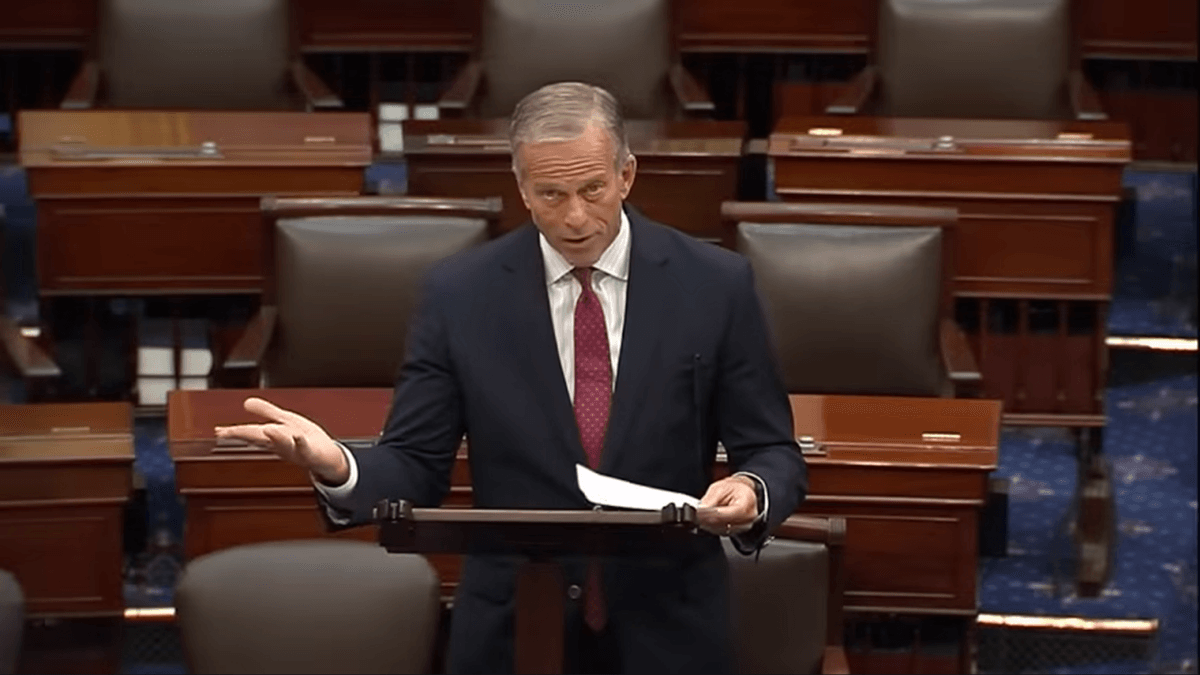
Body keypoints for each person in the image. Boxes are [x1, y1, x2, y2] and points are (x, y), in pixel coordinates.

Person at [215, 81, 807, 674]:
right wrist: (338, 465)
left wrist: (752, 489)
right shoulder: (460, 295)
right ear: (522, 188)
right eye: (551, 194)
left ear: (626, 175)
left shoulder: (715, 285)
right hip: (514, 632)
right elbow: (416, 464)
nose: (575, 217)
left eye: (592, 189)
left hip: (671, 631)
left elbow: (773, 450)